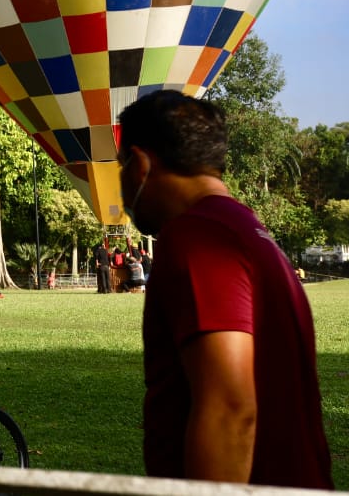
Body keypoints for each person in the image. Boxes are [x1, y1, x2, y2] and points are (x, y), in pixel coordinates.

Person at [118, 90, 331, 487]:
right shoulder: (250, 231)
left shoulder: (197, 236)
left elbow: (230, 406)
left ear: (141, 164)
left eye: (120, 164)